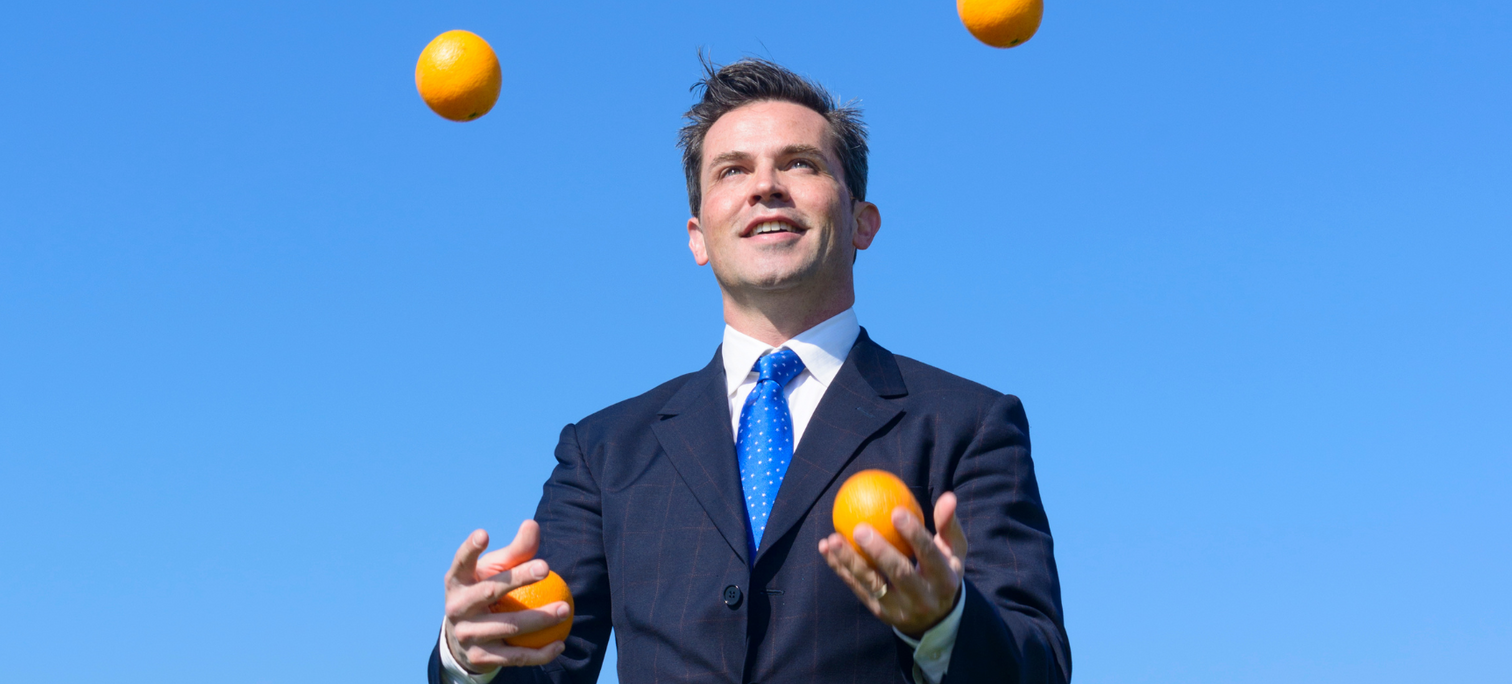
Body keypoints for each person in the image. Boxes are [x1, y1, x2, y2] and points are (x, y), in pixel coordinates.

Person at [431, 58, 1070, 684]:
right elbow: (541, 663)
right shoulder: (602, 451)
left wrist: (946, 623)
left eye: (800, 162)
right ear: (698, 237)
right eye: (732, 170)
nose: (765, 185)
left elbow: (1039, 663)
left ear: (862, 222)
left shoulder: (969, 423)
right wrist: (470, 658)